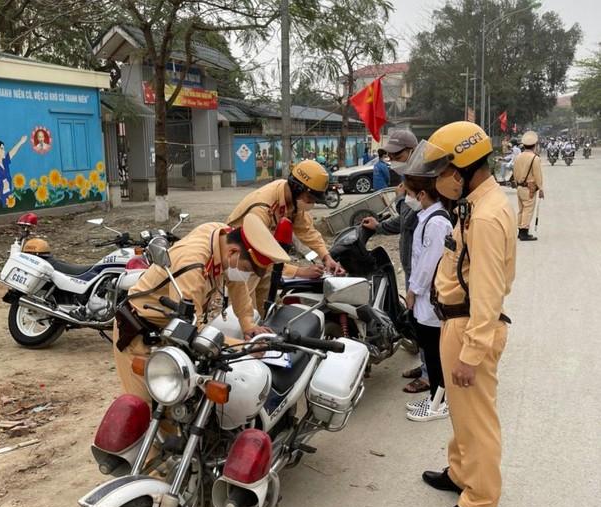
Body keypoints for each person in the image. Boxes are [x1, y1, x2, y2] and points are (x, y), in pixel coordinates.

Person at [421, 121, 516, 507]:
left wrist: (472, 351)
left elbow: (489, 291)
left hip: (471, 324)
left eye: (443, 170)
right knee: (462, 413)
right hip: (455, 320)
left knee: (476, 419)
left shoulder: (487, 216)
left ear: (461, 168)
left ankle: (479, 503)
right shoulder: (476, 205)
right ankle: (461, 473)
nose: (439, 179)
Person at [113, 216, 290, 404]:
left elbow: (238, 283)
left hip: (169, 331)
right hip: (139, 334)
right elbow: (189, 329)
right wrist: (244, 347)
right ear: (233, 252)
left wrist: (247, 324)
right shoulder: (192, 265)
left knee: (179, 409)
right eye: (246, 267)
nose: (246, 273)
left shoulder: (222, 236)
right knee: (144, 407)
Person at [226, 159, 345, 318]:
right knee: (245, 315)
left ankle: (266, 336)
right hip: (242, 259)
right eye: (310, 199)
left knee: (266, 309)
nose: (311, 204)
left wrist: (326, 257)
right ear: (298, 188)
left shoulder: (292, 202)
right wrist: (300, 272)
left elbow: (306, 230)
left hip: (264, 257)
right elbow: (260, 255)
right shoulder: (263, 208)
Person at [361, 129, 430, 394]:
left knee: (425, 319)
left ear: (412, 151)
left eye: (397, 154)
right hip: (411, 259)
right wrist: (378, 226)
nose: (392, 160)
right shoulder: (407, 175)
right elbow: (402, 222)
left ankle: (429, 376)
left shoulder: (421, 177)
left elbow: (409, 218)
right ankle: (425, 366)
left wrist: (401, 197)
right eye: (389, 155)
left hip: (422, 261)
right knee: (417, 318)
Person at [392, 142, 454, 421]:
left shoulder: (437, 222)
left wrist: (413, 291)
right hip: (425, 300)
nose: (406, 197)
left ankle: (438, 404)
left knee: (434, 353)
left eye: (408, 192)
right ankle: (434, 399)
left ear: (421, 193)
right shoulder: (425, 215)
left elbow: (429, 265)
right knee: (430, 351)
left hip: (430, 300)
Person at [514, 130, 543, 242]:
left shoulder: (518, 157)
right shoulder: (535, 158)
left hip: (520, 187)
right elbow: (538, 175)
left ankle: (520, 230)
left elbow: (515, 172)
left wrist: (518, 183)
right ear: (534, 145)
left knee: (521, 209)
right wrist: (541, 188)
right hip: (529, 188)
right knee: (528, 209)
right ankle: (524, 232)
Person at [0, 136, 27, 206]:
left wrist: (21, 142)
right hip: (0, 198)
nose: (4, 151)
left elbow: (12, 152)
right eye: (2, 149)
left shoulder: (5, 162)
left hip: (9, 196)